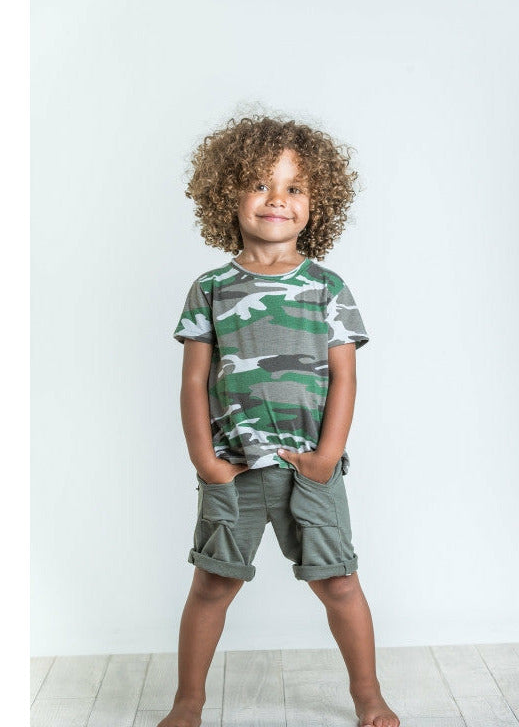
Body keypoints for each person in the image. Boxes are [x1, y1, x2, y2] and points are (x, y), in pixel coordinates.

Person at [160, 114, 399, 727]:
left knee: (339, 583)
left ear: (317, 203)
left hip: (309, 469)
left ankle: (368, 696)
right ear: (228, 194)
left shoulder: (327, 288)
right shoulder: (211, 288)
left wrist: (326, 457)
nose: (277, 199)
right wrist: (204, 460)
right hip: (232, 468)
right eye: (261, 184)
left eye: (294, 187)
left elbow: (344, 378)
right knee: (212, 586)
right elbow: (193, 380)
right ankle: (188, 701)